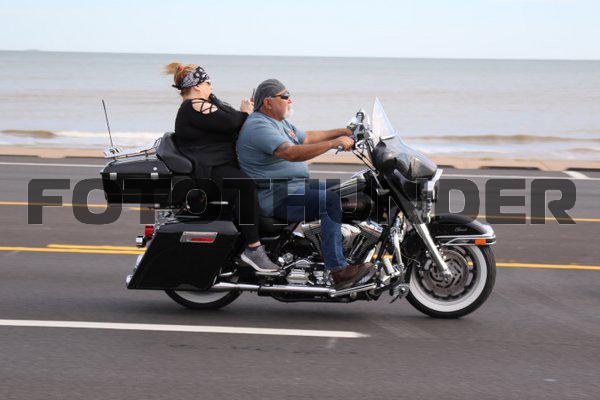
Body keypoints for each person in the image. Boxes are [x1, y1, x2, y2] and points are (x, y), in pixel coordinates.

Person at [237, 79, 373, 289]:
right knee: (329, 201)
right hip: (277, 196)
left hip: (294, 186)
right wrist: (333, 143)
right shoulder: (259, 126)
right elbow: (290, 153)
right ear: (268, 102)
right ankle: (338, 270)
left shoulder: (278, 122)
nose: (290, 100)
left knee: (349, 189)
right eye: (285, 96)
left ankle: (339, 245)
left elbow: (307, 137)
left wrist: (344, 131)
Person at [165, 62, 279, 273]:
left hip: (215, 165)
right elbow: (232, 121)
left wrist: (240, 111)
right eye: (208, 82)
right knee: (244, 186)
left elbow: (227, 117)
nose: (211, 86)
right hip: (208, 171)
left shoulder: (201, 105)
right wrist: (246, 112)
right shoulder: (194, 105)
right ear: (197, 85)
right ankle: (254, 248)